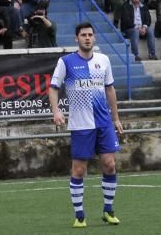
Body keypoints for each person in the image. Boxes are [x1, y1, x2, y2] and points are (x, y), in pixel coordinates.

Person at [48, 23, 125, 228]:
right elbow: (53, 88)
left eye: (90, 35)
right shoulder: (66, 62)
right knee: (79, 170)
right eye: (83, 35)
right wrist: (56, 111)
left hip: (103, 123)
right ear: (76, 38)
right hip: (81, 124)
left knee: (109, 164)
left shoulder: (104, 60)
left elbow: (110, 89)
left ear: (95, 38)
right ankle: (80, 215)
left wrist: (115, 118)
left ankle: (108, 211)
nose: (87, 38)